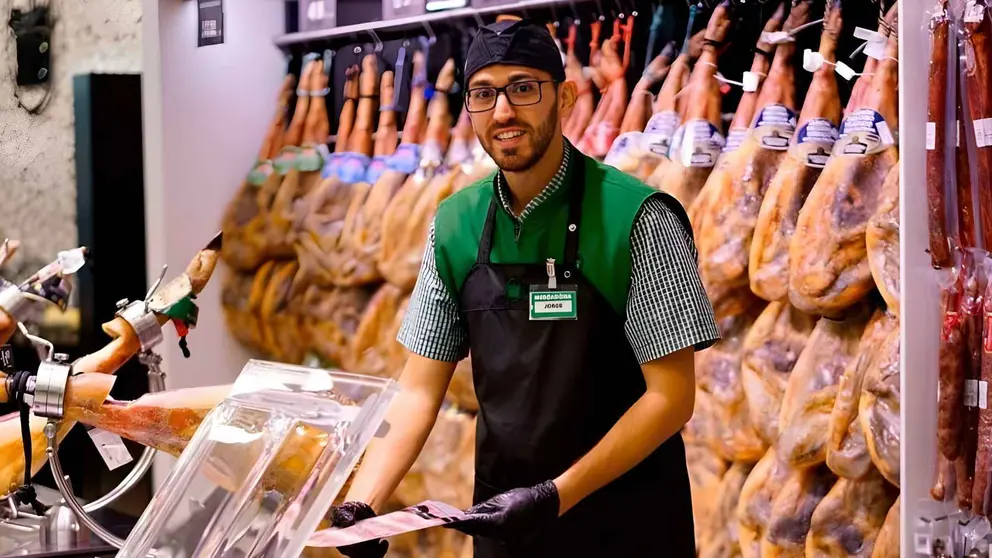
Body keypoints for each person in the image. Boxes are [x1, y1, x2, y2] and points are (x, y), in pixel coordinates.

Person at [329, 18, 720, 558]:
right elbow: (418, 389)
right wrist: (364, 504)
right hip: (506, 524)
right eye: (483, 94)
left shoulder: (639, 215)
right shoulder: (456, 223)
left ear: (564, 97)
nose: (503, 112)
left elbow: (671, 399)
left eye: (523, 88)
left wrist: (555, 496)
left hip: (626, 522)